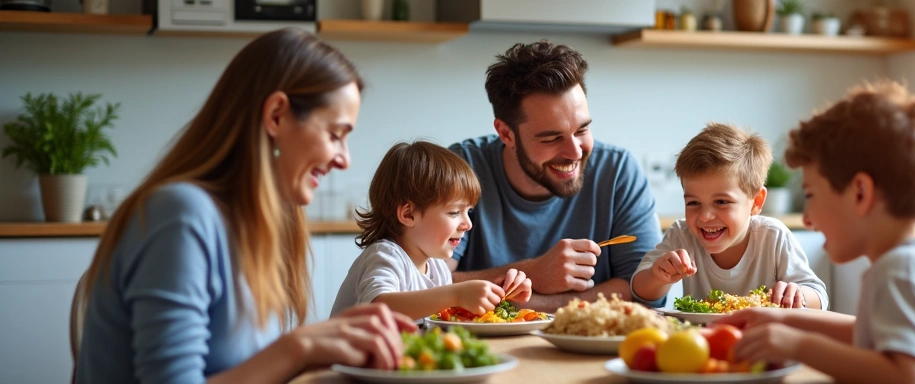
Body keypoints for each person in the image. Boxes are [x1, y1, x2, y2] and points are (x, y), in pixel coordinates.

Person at [74, 29, 415, 383]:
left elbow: (245, 370)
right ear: (277, 116)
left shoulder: (257, 225)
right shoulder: (180, 214)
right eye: (335, 135)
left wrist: (330, 351)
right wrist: (299, 347)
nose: (344, 159)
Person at [719, 81, 915, 383]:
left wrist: (797, 344)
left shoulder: (903, 272)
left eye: (810, 195)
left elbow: (907, 377)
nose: (806, 219)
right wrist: (784, 318)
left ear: (860, 193)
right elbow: (866, 333)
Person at [447, 40, 661, 312]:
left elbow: (642, 291)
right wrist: (533, 273)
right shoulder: (460, 170)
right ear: (506, 134)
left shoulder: (618, 172)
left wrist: (532, 301)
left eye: (581, 130)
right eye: (551, 138)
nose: (574, 152)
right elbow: (422, 282)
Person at [631, 123, 828, 310]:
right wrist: (659, 277)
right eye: (693, 203)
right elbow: (639, 292)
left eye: (721, 202)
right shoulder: (681, 235)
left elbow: (819, 296)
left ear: (756, 202)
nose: (705, 216)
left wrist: (799, 295)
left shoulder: (773, 237)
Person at [329, 141, 532, 319]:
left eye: (468, 212)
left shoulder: (437, 267)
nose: (468, 224)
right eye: (454, 212)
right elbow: (379, 307)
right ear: (408, 214)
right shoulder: (385, 256)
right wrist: (456, 294)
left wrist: (500, 293)